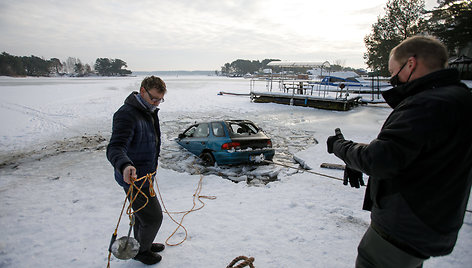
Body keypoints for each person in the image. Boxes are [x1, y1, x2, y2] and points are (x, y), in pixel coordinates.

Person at [327, 35, 472, 268]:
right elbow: (411, 154)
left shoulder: (428, 104)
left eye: (393, 72)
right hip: (429, 222)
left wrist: (340, 147)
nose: (393, 79)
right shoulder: (459, 98)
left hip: (403, 227)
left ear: (411, 64)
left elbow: (380, 160)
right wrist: (355, 162)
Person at [107, 76, 167, 265]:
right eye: (154, 99)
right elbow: (115, 147)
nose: (156, 103)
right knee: (154, 217)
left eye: (160, 100)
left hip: (146, 175)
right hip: (132, 177)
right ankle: (142, 252)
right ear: (142, 91)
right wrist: (125, 165)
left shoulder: (147, 110)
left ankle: (143, 244)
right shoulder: (127, 114)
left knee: (141, 214)